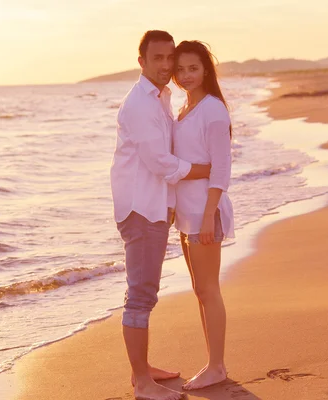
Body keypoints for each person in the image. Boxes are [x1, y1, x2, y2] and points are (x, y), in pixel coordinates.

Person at [110, 31, 212, 400]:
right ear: (142, 62)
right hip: (141, 208)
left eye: (170, 57)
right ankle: (141, 383)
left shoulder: (160, 97)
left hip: (154, 206)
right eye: (158, 58)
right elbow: (159, 162)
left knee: (146, 292)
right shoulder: (139, 104)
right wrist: (205, 169)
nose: (167, 65)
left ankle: (143, 367)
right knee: (140, 295)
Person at [171, 40, 234, 390]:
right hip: (188, 215)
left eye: (193, 68)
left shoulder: (212, 110)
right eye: (180, 70)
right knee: (200, 289)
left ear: (206, 69)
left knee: (209, 290)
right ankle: (213, 362)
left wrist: (209, 215)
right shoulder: (185, 107)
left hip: (205, 214)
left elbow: (221, 169)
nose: (185, 75)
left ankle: (217, 366)